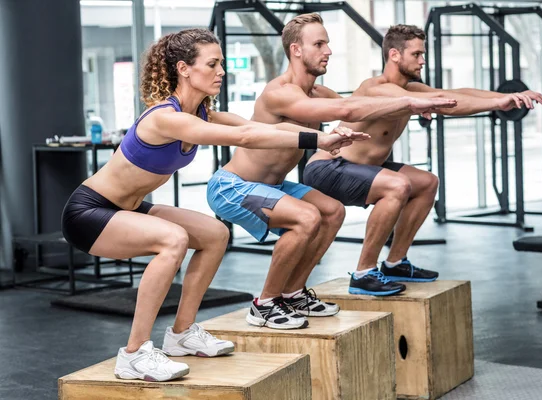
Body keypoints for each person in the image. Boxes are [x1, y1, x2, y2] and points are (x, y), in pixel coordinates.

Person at [61, 28, 365, 382]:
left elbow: (255, 127)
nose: (221, 71)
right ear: (184, 69)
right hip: (89, 211)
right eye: (213, 64)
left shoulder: (202, 113)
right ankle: (134, 353)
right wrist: (320, 139)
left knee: (215, 234)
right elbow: (245, 137)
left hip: (127, 208)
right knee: (172, 240)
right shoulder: (165, 117)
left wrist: (324, 136)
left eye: (221, 63)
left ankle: (182, 334)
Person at [207, 13, 457, 329]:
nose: (327, 51)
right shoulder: (280, 92)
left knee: (332, 212)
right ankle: (265, 303)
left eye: (328, 44)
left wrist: (414, 105)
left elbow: (359, 108)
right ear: (296, 50)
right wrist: (410, 101)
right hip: (234, 186)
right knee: (306, 217)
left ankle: (293, 292)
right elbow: (347, 110)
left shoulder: (320, 94)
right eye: (319, 44)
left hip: (274, 185)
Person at [304, 24, 542, 295]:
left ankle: (395, 262)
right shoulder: (377, 88)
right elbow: (445, 102)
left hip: (361, 167)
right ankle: (363, 273)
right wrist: (495, 104)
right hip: (328, 167)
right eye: (417, 54)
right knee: (397, 185)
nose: (422, 60)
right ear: (394, 55)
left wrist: (507, 97)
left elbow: (455, 93)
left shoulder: (412, 87)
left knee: (426, 182)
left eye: (423, 54)